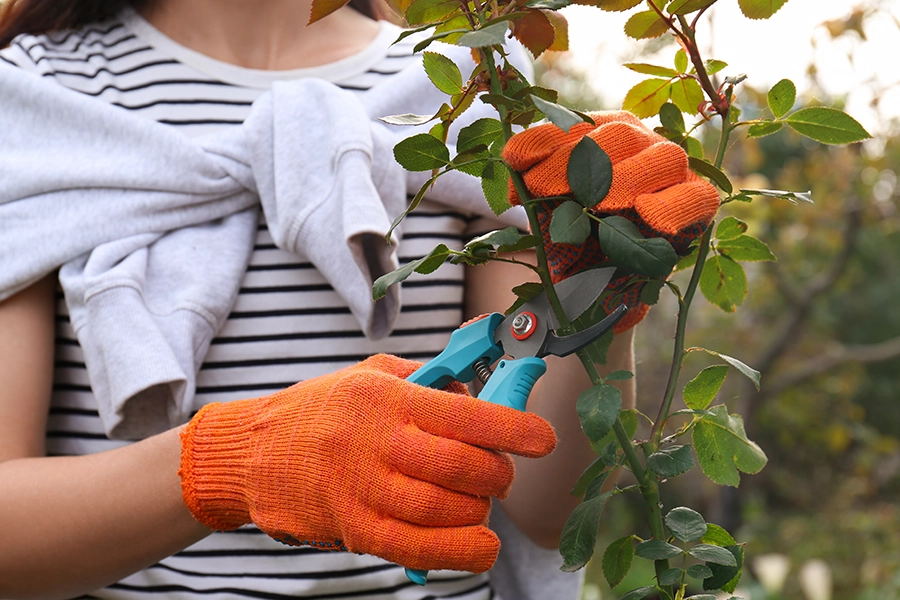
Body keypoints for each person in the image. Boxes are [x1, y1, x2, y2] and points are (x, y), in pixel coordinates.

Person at [0, 1, 644, 599]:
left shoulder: (461, 90)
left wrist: (599, 289)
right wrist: (232, 463)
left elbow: (547, 512)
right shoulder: (34, 92)